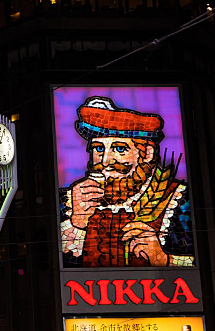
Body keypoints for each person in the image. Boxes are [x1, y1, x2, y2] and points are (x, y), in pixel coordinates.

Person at [60, 95, 194, 268]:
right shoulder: (68, 201)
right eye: (98, 149)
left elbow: (206, 263)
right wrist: (76, 224)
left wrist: (164, 258)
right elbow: (51, 263)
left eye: (120, 148)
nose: (106, 160)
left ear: (147, 154)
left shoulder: (180, 201)